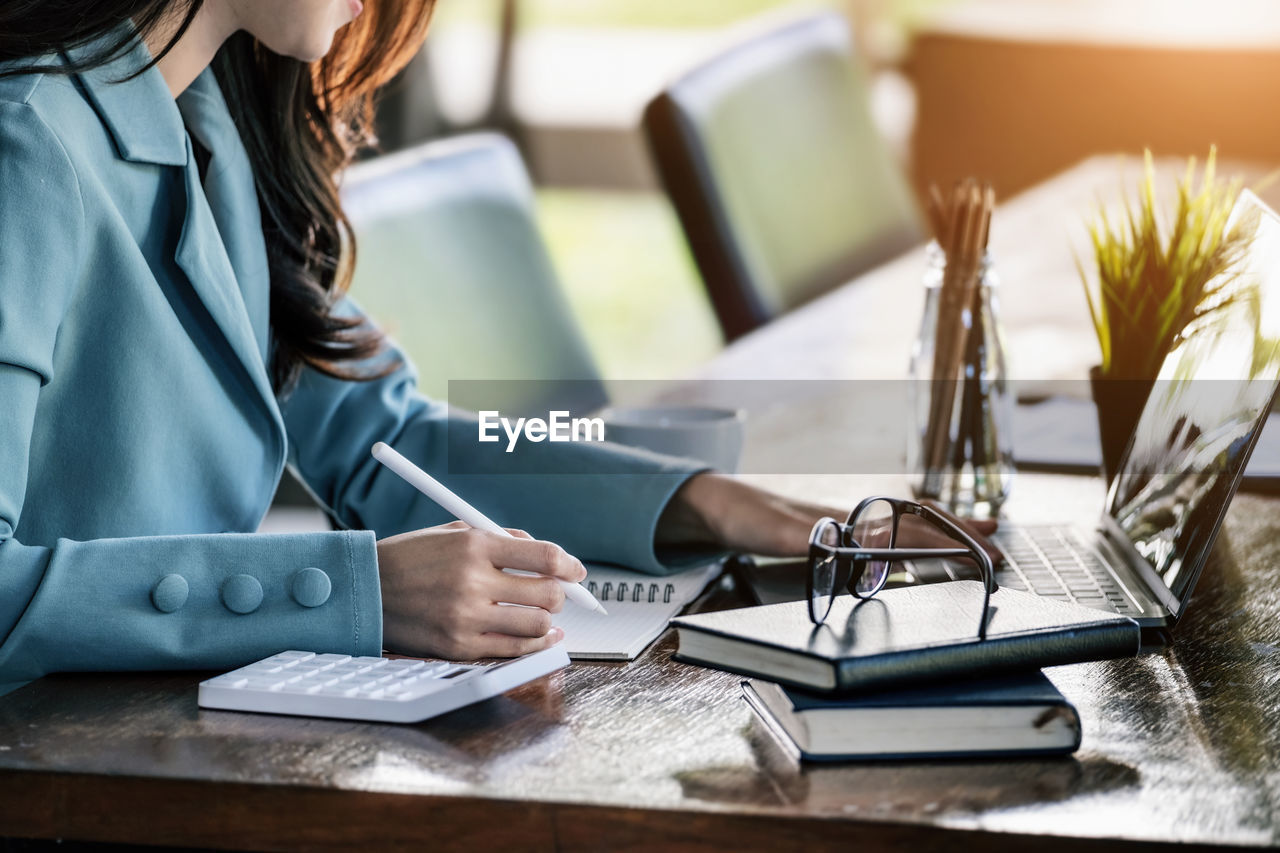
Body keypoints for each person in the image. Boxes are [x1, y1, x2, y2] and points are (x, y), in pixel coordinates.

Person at [0, 0, 995, 694]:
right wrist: (360, 592)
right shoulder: (27, 149)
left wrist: (696, 499)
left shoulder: (212, 111)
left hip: (160, 746)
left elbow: (385, 436)